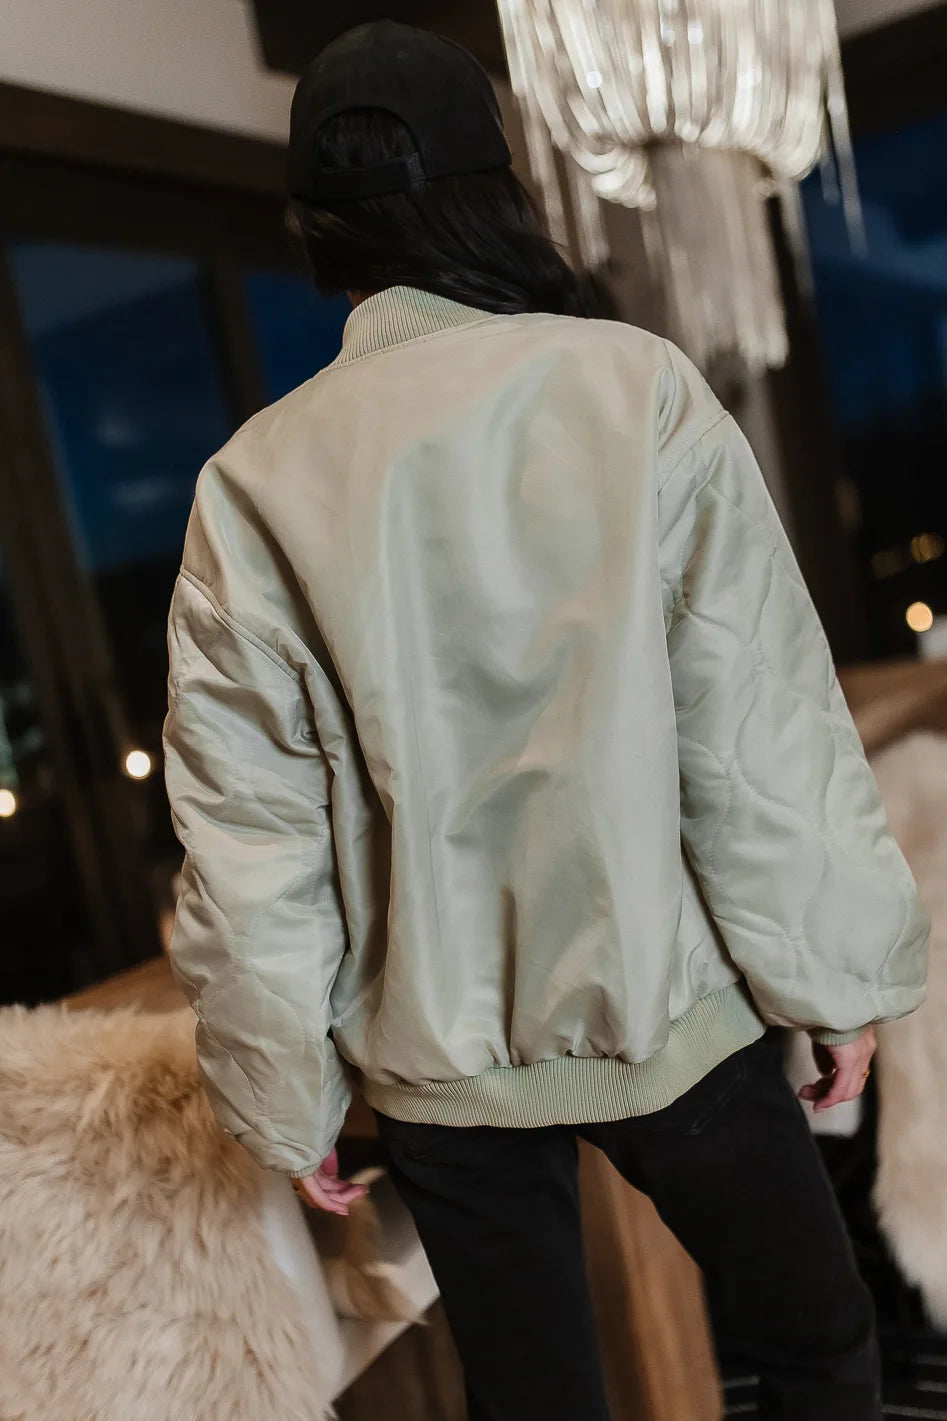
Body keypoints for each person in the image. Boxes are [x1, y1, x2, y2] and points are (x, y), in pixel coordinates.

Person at [162, 21, 929, 1421]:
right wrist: (833, 978)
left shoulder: (248, 485)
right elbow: (753, 726)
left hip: (436, 1068)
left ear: (319, 230)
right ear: (496, 190)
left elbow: (251, 837)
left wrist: (289, 1092)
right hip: (672, 1011)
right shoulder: (636, 391)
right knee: (822, 1347)